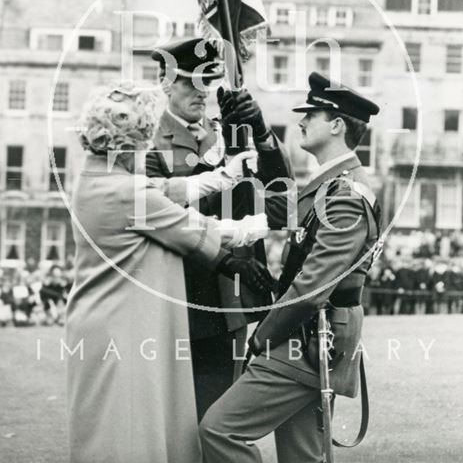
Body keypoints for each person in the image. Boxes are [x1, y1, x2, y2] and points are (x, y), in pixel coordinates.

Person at [66, 81, 272, 463]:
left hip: (100, 319)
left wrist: (224, 176)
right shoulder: (127, 193)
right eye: (143, 141)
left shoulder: (95, 177)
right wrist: (261, 225)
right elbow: (189, 226)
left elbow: (163, 189)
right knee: (129, 431)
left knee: (110, 428)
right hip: (122, 323)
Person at [200, 72, 381, 463]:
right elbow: (281, 202)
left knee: (220, 429)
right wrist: (259, 135)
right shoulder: (329, 185)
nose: (301, 122)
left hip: (311, 336)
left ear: (336, 125)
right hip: (308, 337)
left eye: (311, 115)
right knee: (302, 457)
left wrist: (262, 337)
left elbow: (313, 287)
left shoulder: (345, 195)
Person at [147, 37, 293, 419]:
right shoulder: (148, 142)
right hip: (182, 293)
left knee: (219, 417)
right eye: (189, 82)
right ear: (165, 82)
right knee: (181, 421)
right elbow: (164, 216)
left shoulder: (223, 130)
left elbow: (281, 188)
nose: (201, 92)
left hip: (231, 298)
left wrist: (258, 131)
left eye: (206, 82)